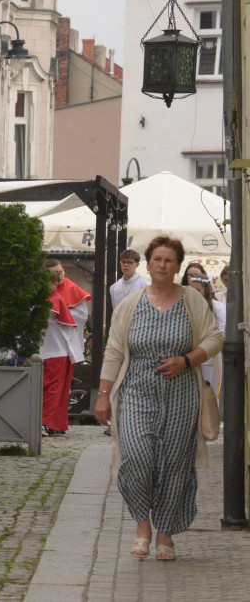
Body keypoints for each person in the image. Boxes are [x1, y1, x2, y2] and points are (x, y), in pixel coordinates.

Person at [95, 236, 223, 561]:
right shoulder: (131, 303)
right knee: (136, 459)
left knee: (175, 463)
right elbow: (113, 350)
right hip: (137, 392)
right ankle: (142, 527)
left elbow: (214, 337)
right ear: (147, 264)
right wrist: (103, 395)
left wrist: (187, 360)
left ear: (178, 266)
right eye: (157, 259)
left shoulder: (191, 299)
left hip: (182, 394)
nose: (162, 265)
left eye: (169, 260)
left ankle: (165, 533)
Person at [39, 269, 82, 436]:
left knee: (52, 389)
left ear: (54, 284)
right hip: (56, 350)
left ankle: (46, 422)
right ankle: (55, 424)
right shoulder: (52, 298)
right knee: (57, 389)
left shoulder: (53, 299)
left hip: (55, 351)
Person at [187, 274, 225, 395]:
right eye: (192, 290)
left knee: (210, 385)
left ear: (205, 290)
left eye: (198, 290)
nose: (194, 293)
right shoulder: (186, 305)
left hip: (211, 351)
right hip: (192, 349)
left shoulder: (217, 307)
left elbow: (222, 330)